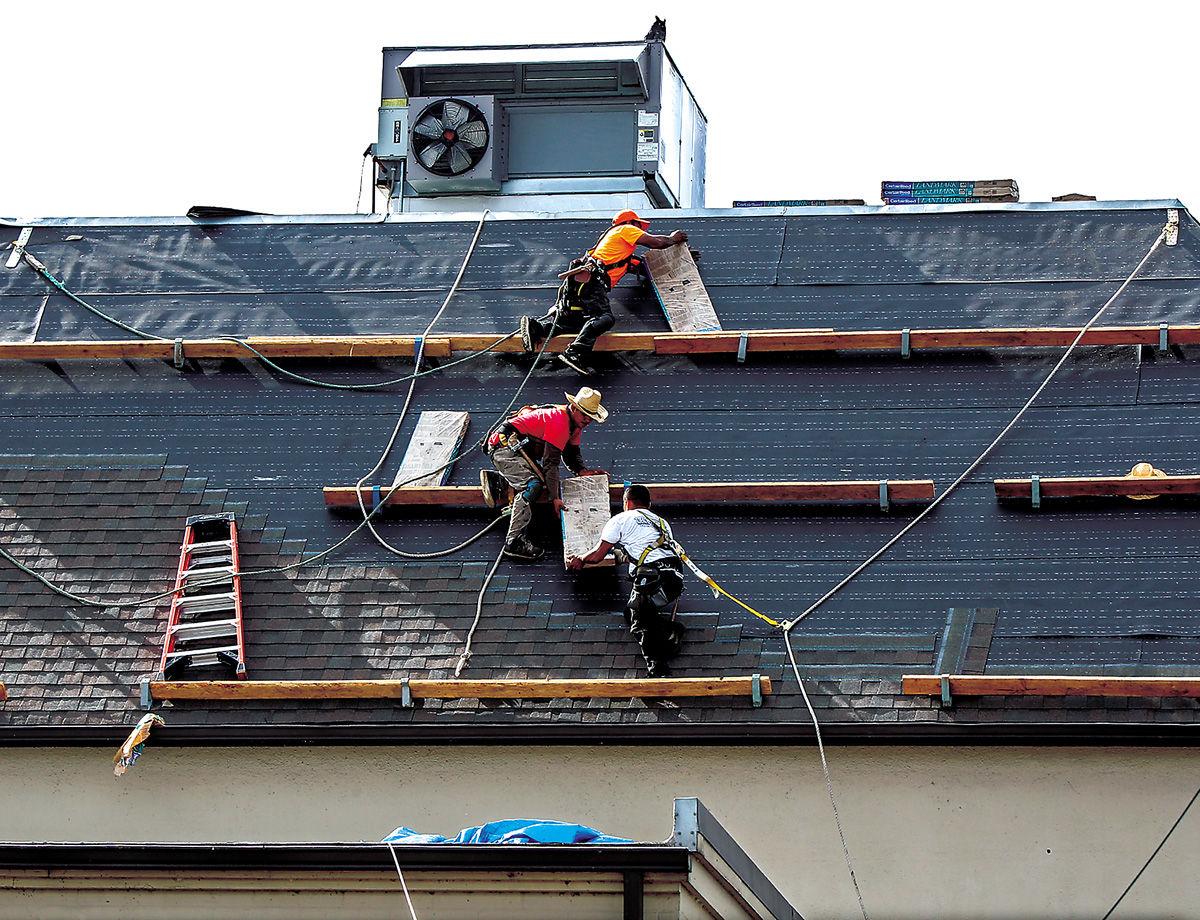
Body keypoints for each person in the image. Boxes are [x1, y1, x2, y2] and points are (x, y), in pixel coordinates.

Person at [519, 209, 689, 374]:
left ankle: (537, 329)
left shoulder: (615, 252)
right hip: (593, 281)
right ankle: (575, 353)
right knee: (604, 318)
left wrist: (680, 258)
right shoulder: (624, 229)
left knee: (571, 323)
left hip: (579, 282)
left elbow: (648, 268)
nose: (639, 230)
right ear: (630, 222)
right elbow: (658, 243)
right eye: (638, 226)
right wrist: (674, 239)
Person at [567, 484, 685, 677]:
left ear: (627, 502)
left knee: (640, 621)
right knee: (631, 612)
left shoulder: (621, 519)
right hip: (673, 580)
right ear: (648, 504)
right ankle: (670, 632)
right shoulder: (661, 523)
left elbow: (597, 555)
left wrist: (579, 559)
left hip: (652, 579)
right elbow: (646, 550)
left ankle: (658, 670)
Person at [482, 387, 609, 562]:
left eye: (591, 417)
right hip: (503, 448)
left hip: (519, 449)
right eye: (585, 415)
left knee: (544, 482)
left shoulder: (575, 425)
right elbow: (551, 464)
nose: (588, 420)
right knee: (533, 486)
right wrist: (554, 498)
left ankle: (499, 483)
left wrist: (581, 470)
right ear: (574, 408)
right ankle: (513, 542)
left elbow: (571, 453)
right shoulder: (559, 422)